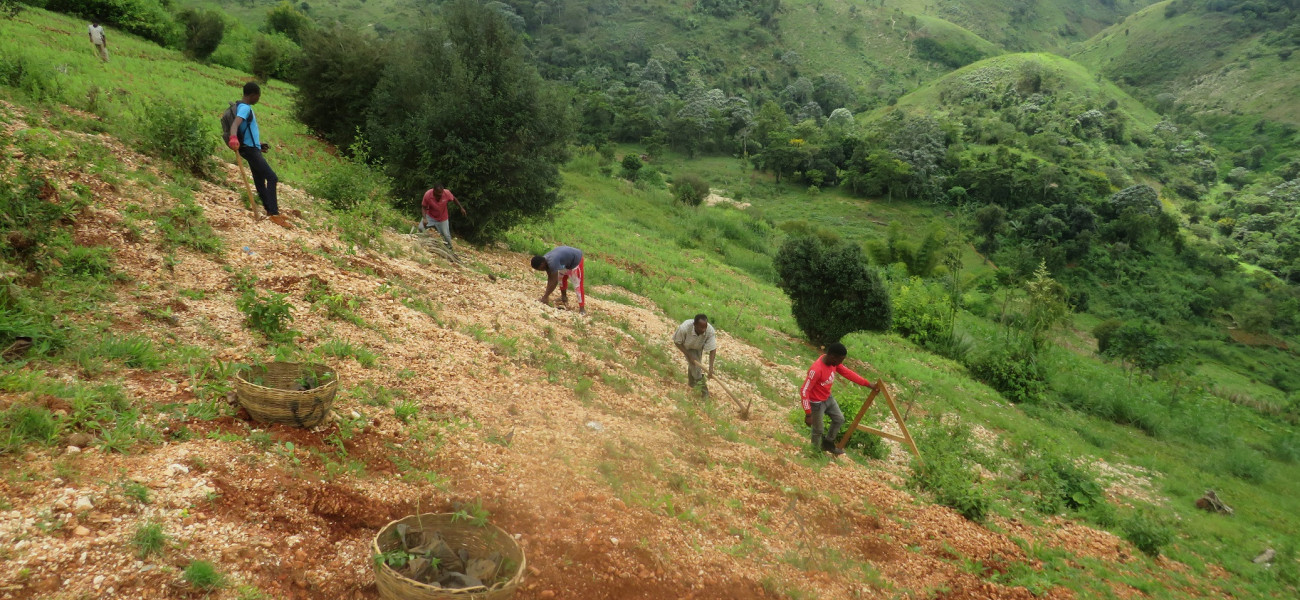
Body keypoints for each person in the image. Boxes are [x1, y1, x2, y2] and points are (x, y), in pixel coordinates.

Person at [226, 82, 292, 229]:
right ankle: (274, 213)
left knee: (260, 179)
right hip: (250, 150)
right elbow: (235, 125)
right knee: (272, 177)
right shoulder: (245, 108)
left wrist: (258, 145)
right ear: (253, 95)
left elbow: (246, 129)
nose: (258, 99)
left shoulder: (242, 107)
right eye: (258, 96)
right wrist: (233, 137)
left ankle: (269, 210)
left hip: (251, 148)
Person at [800, 342, 875, 456]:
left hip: (827, 398)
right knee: (818, 430)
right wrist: (808, 414)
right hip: (816, 403)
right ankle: (814, 453)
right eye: (840, 360)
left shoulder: (834, 363)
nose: (840, 363)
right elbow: (804, 390)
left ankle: (828, 443)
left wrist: (867, 384)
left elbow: (848, 373)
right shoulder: (816, 370)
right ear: (832, 356)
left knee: (839, 419)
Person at [530, 245, 585, 314]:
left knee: (577, 286)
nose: (541, 270)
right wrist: (546, 296)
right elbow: (550, 278)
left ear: (542, 264)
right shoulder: (545, 260)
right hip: (565, 262)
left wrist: (545, 296)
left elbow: (554, 281)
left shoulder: (552, 262)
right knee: (561, 279)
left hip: (576, 261)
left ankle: (582, 309)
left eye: (540, 269)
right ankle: (564, 297)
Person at [673, 314, 717, 397]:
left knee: (693, 364)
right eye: (701, 327)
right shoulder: (684, 328)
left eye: (705, 327)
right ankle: (705, 393)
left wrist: (711, 367)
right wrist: (689, 355)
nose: (704, 330)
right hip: (686, 346)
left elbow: (713, 349)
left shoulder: (710, 330)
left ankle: (691, 383)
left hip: (698, 347)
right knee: (696, 368)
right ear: (695, 325)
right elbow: (677, 342)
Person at [419, 184, 467, 252]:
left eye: (441, 193)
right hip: (430, 216)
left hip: (442, 218)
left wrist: (461, 208)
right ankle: (425, 241)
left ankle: (449, 249)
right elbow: (423, 207)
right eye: (438, 194)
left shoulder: (446, 193)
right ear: (434, 191)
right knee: (421, 228)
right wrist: (424, 218)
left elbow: (454, 199)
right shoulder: (428, 194)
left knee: (446, 235)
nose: (440, 195)